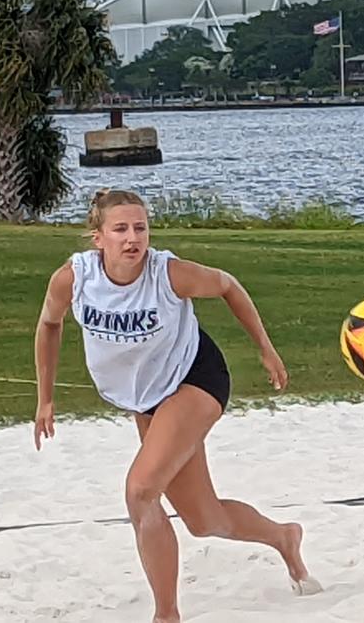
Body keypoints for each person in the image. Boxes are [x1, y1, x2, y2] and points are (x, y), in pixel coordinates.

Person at [33, 189, 320, 623]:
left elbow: (228, 285)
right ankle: (283, 538)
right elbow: (49, 324)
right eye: (121, 229)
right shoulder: (74, 279)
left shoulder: (168, 274)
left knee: (140, 491)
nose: (133, 238)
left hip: (195, 380)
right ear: (98, 238)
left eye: (140, 228)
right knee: (204, 519)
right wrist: (46, 398)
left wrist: (265, 348)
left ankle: (166, 616)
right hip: (145, 396)